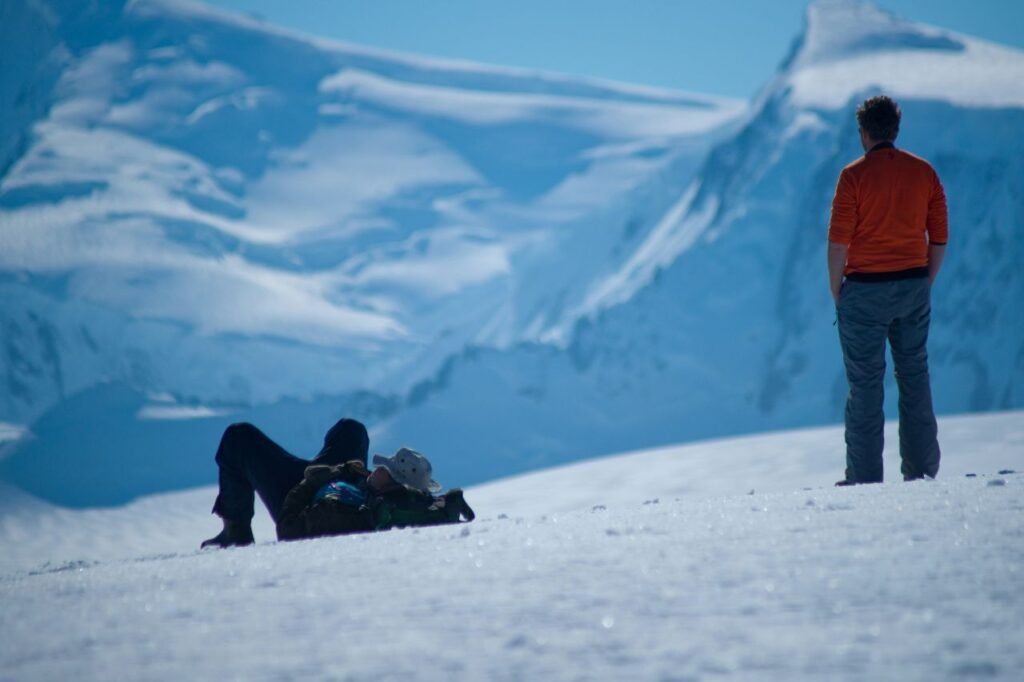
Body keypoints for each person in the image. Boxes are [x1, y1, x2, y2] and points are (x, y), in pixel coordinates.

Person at [827, 95, 947, 486]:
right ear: (895, 130)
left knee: (865, 385)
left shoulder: (853, 176)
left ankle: (864, 480)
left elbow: (838, 243)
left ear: (863, 133)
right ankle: (921, 471)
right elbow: (939, 237)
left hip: (864, 290)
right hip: (913, 283)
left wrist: (837, 291)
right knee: (914, 375)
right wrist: (924, 281)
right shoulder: (924, 172)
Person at [201, 418, 371, 548]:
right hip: (344, 495)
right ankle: (339, 477)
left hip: (299, 508)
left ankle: (235, 533)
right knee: (351, 428)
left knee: (238, 436)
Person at [276, 446, 474, 542]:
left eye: (384, 470)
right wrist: (348, 471)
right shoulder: (379, 498)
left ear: (392, 486)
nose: (376, 469)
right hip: (339, 481)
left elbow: (286, 529)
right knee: (352, 428)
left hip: (298, 494)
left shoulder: (342, 512)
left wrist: (310, 483)